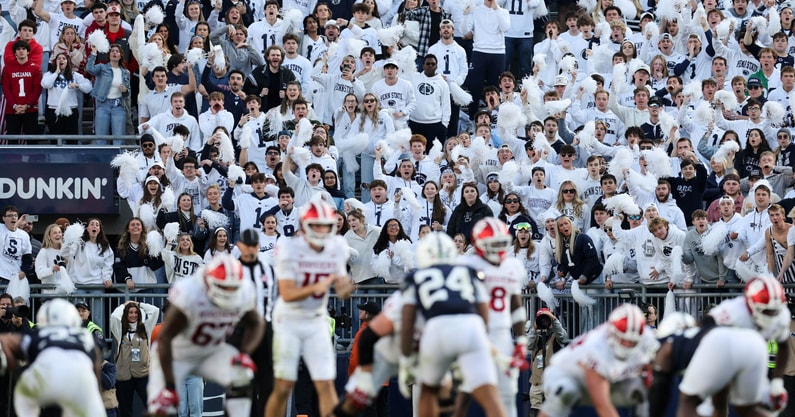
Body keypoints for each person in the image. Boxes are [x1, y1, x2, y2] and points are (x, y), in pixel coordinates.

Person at [400, 232, 507, 417]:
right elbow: (483, 311)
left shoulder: (415, 277)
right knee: (489, 395)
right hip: (472, 325)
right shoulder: (468, 272)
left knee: (427, 390)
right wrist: (482, 340)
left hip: (437, 327)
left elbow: (407, 323)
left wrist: (406, 358)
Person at [265, 200, 354, 417]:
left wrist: (344, 288)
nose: (322, 230)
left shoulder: (336, 248)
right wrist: (320, 285)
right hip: (289, 319)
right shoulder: (290, 249)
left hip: (316, 320)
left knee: (325, 384)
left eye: (325, 225)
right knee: (283, 386)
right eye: (317, 225)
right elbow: (287, 293)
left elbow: (342, 291)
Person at [147, 255, 265, 416]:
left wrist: (244, 352)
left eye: (232, 287)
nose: (228, 292)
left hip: (210, 351)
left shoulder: (244, 291)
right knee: (161, 407)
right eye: (223, 287)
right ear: (208, 282)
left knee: (242, 374)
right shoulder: (190, 293)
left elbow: (257, 323)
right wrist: (169, 385)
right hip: (177, 354)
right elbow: (165, 338)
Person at [457, 218, 528, 417]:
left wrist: (521, 340)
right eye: (493, 244)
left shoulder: (512, 265)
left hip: (501, 334)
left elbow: (515, 305)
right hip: (472, 335)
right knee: (465, 389)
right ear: (479, 245)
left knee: (507, 391)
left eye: (501, 243)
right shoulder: (467, 265)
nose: (498, 249)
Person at [539, 304, 659, 417]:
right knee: (566, 392)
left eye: (632, 341)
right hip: (566, 374)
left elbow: (655, 370)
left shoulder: (647, 337)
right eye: (623, 339)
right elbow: (602, 405)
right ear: (611, 332)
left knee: (643, 388)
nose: (627, 344)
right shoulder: (597, 347)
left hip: (608, 375)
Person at [0, 299, 105, 417]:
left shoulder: (39, 334)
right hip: (79, 381)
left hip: (45, 379)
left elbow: (5, 342)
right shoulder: (85, 336)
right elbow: (96, 361)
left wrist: (17, 371)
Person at [110, 300, 160, 417]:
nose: (133, 315)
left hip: (143, 375)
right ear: (125, 314)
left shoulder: (145, 328)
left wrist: (139, 304)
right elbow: (113, 317)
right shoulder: (119, 330)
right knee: (125, 411)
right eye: (130, 312)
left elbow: (155, 311)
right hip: (123, 376)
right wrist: (124, 305)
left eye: (136, 312)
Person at [527, 308, 568, 417]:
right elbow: (527, 345)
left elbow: (563, 337)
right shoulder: (535, 336)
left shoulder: (556, 336)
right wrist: (534, 329)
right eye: (541, 319)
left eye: (546, 319)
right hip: (537, 380)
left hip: (553, 380)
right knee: (535, 409)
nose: (544, 322)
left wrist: (554, 320)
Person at [1, 41, 42, 136]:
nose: (21, 51)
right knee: (12, 139)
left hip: (30, 109)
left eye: (23, 49)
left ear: (28, 52)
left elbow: (37, 89)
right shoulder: (7, 68)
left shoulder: (35, 68)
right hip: (12, 110)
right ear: (14, 53)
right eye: (18, 49)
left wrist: (27, 105)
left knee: (32, 140)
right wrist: (14, 105)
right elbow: (6, 89)